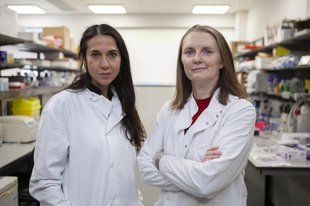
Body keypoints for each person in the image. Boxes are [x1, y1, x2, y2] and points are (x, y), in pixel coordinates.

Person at [137, 25, 256, 206]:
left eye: (207, 52)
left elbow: (207, 183)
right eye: (189, 52)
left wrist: (162, 160)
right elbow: (145, 167)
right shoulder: (168, 110)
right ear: (182, 61)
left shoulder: (240, 111)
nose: (197, 59)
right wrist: (195, 169)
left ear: (222, 61)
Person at [29, 24, 146, 206]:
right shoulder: (61, 106)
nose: (105, 64)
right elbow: (44, 182)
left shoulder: (124, 105)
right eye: (95, 54)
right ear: (84, 58)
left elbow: (122, 173)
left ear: (121, 59)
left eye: (112, 54)